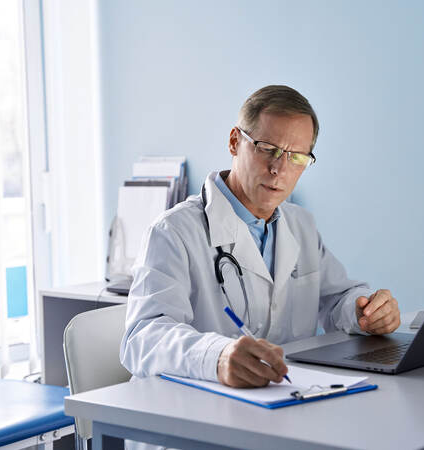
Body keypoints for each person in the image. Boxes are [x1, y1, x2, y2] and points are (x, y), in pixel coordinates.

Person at [120, 85, 401, 388]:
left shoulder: (299, 225)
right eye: (268, 149)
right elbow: (143, 339)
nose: (278, 169)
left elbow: (336, 301)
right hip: (201, 410)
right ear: (234, 142)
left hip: (286, 400)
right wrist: (217, 356)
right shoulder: (174, 232)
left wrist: (364, 312)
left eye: (296, 158)